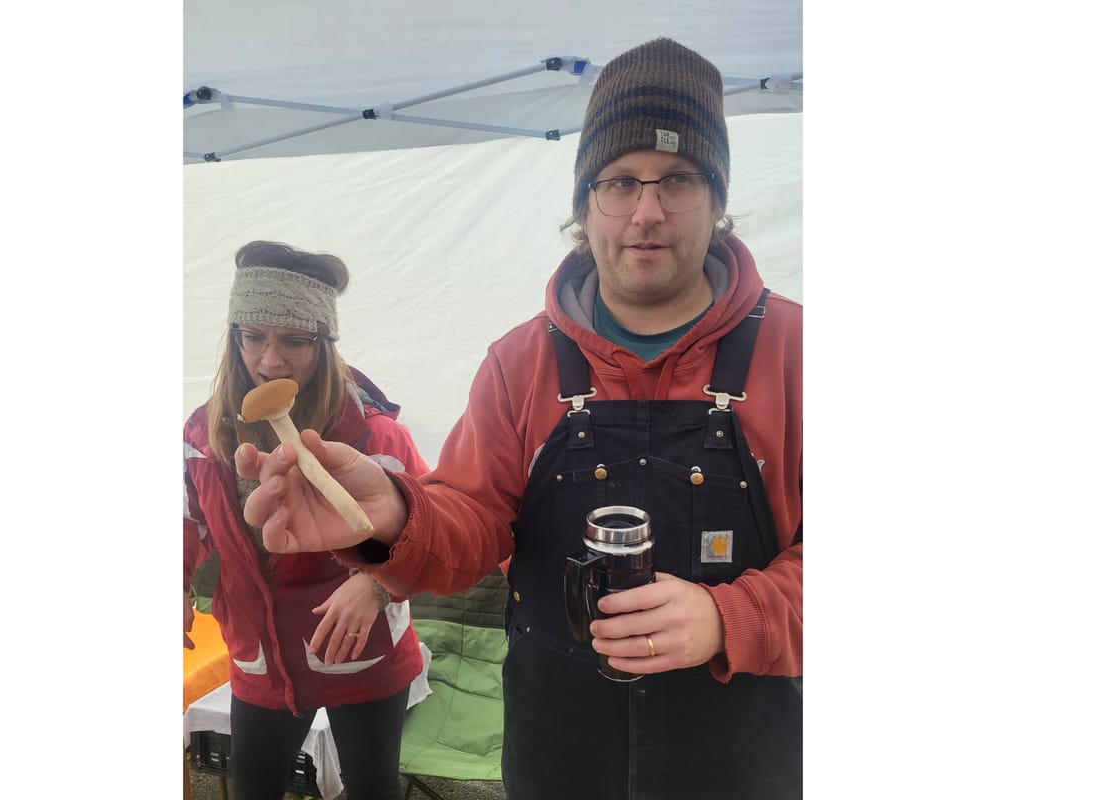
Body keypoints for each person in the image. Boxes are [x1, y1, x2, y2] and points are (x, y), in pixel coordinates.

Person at [238, 38, 802, 800]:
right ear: (583, 202)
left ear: (717, 197)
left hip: (744, 758)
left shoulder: (799, 352)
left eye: (679, 180)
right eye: (620, 181)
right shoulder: (519, 362)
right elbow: (468, 529)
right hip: (556, 753)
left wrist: (731, 617)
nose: (647, 211)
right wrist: (393, 521)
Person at [182, 240, 431, 800]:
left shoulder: (375, 435)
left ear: (324, 343)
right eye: (253, 337)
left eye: (294, 341)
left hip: (360, 651)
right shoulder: (203, 436)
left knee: (373, 789)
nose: (269, 361)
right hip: (260, 656)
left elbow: (428, 526)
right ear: (234, 338)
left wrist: (375, 582)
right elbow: (185, 520)